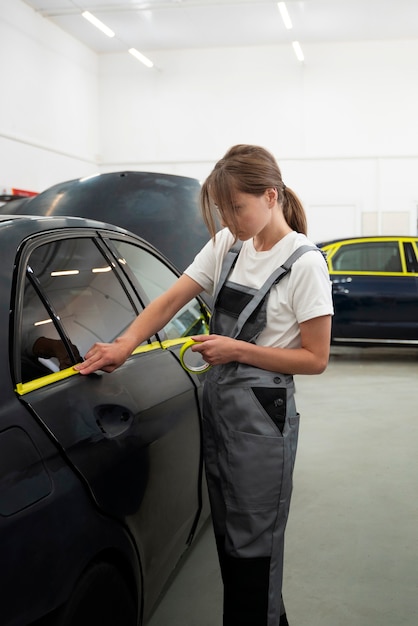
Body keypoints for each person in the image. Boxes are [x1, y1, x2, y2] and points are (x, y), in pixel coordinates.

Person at [75, 144, 334, 626]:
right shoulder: (227, 247)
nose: (230, 218)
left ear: (271, 196)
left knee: (254, 545)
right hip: (221, 407)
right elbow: (171, 298)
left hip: (262, 416)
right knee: (231, 542)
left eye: (238, 206)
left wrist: (236, 350)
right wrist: (124, 344)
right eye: (222, 209)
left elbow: (316, 358)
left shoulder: (303, 264)